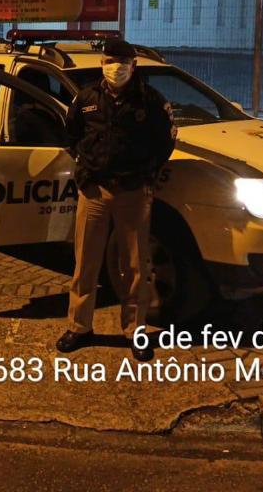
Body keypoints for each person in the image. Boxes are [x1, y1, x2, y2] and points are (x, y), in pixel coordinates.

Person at [57, 38, 177, 362]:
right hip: (94, 191)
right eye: (111, 61)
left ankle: (135, 331)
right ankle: (79, 326)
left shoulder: (151, 101)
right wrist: (84, 170)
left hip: (133, 192)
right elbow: (71, 135)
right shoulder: (86, 99)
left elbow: (165, 142)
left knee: (135, 266)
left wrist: (147, 175)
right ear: (102, 63)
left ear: (133, 66)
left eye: (123, 62)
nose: (116, 68)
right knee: (85, 262)